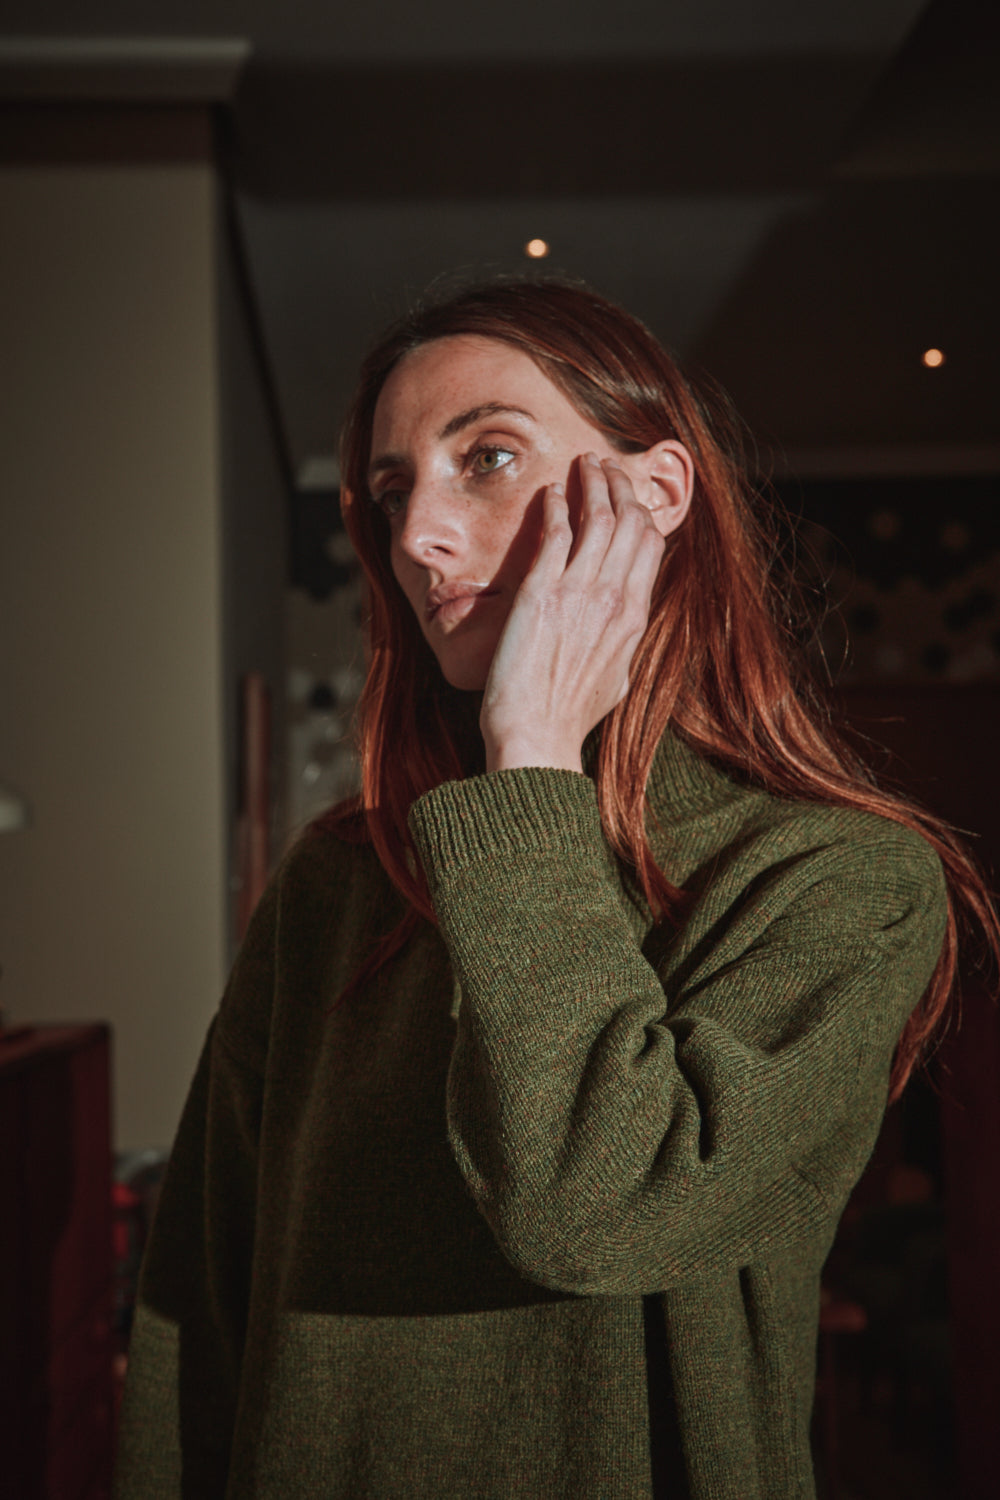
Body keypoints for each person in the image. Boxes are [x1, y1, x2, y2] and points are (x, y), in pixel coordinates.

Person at [115, 278, 996, 1500]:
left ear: (656, 495)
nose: (417, 531)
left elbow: (596, 1216)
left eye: (485, 457)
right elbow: (197, 1305)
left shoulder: (839, 881)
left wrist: (529, 754)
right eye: (388, 492)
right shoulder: (341, 882)